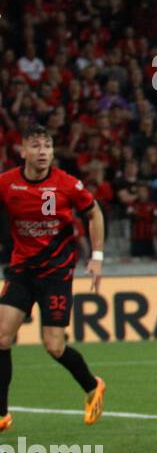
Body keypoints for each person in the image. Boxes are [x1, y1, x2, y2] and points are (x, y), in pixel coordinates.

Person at [0, 125, 107, 432]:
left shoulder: (67, 184)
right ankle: (2, 414)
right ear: (23, 152)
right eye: (35, 146)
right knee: (1, 337)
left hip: (56, 275)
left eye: (47, 146)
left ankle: (92, 385)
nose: (43, 151)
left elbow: (94, 213)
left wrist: (97, 257)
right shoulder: (7, 183)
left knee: (54, 347)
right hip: (21, 270)